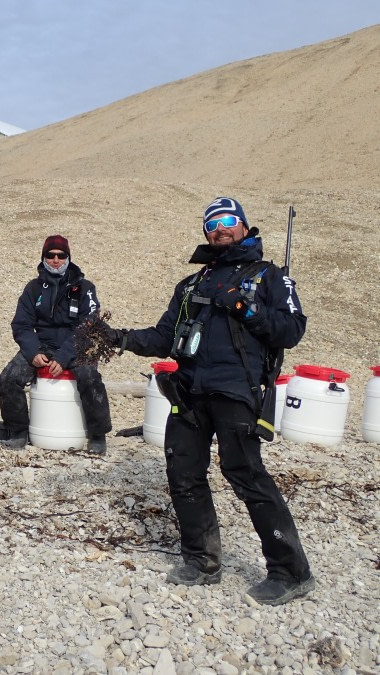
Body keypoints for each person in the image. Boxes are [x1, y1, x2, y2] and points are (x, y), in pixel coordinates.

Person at [106, 197, 314, 606]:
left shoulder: (268, 277)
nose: (220, 229)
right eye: (212, 223)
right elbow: (164, 336)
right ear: (206, 232)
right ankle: (202, 559)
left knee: (246, 474)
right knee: (183, 471)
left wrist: (247, 309)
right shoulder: (192, 283)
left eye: (228, 221)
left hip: (236, 389)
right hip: (189, 390)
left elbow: (291, 330)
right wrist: (120, 338)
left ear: (243, 226)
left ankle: (291, 571)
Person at [0, 235, 112, 453]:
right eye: (50, 255)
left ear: (68, 258)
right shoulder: (33, 288)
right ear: (44, 258)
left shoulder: (85, 288)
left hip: (77, 347)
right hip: (42, 346)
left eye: (61, 255)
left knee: (90, 376)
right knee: (8, 379)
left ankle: (97, 434)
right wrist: (33, 352)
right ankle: (18, 432)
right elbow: (21, 325)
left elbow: (90, 326)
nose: (56, 260)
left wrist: (64, 356)